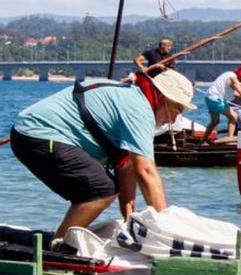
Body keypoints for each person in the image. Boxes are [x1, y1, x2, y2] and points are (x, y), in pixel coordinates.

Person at [8, 70, 197, 238]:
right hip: (38, 134)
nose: (175, 118)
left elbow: (127, 167)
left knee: (103, 188)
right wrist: (165, 229)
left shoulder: (134, 97)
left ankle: (61, 239)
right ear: (163, 98)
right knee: (101, 191)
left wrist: (128, 218)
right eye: (177, 110)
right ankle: (57, 248)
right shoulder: (140, 109)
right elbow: (146, 172)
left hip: (31, 134)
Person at [200, 64, 241, 145]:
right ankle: (230, 139)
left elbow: (235, 93)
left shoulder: (228, 74)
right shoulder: (233, 79)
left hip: (209, 98)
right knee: (233, 116)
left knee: (214, 122)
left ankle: (203, 140)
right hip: (216, 99)